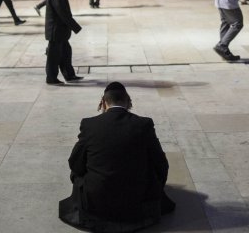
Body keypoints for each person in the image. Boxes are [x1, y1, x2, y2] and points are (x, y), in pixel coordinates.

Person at [59, 82, 174, 231]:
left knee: (80, 165)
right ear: (129, 102)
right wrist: (157, 185)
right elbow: (160, 163)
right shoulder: (144, 124)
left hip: (96, 201)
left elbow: (75, 163)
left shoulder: (90, 124)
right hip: (137, 200)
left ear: (103, 102)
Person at [44, 0, 83, 85]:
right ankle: (51, 78)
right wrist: (76, 27)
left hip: (60, 31)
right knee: (53, 56)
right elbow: (63, 13)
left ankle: (69, 75)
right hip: (56, 30)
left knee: (65, 52)